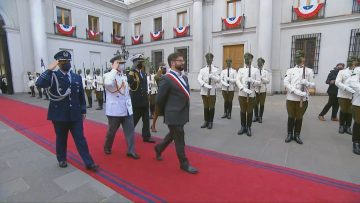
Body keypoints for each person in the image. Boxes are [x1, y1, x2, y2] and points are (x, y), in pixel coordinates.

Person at [35, 50, 98, 171]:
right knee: (61, 139)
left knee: (80, 139)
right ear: (58, 63)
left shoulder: (76, 77)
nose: (66, 63)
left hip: (75, 114)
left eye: (67, 61)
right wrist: (49, 70)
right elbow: (40, 83)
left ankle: (89, 162)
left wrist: (83, 110)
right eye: (63, 61)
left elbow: (81, 96)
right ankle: (61, 158)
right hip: (59, 115)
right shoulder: (53, 76)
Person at [154, 52, 198, 174]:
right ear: (173, 63)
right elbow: (159, 99)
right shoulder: (166, 78)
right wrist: (167, 113)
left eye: (183, 60)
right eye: (180, 60)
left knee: (173, 135)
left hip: (182, 114)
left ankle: (159, 148)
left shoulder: (183, 77)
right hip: (173, 114)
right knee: (180, 139)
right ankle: (184, 164)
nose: (183, 62)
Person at [102, 54, 140, 159]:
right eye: (119, 63)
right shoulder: (108, 75)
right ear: (113, 64)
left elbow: (126, 93)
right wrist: (114, 69)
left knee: (130, 131)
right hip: (115, 110)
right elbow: (108, 83)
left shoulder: (123, 76)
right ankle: (107, 146)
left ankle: (131, 151)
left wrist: (130, 107)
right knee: (112, 131)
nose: (122, 65)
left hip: (126, 108)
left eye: (123, 63)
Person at [283, 50, 315, 144]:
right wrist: (295, 91)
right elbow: (286, 82)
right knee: (291, 116)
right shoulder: (290, 70)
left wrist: (307, 83)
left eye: (300, 56)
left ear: (303, 58)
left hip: (303, 99)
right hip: (291, 98)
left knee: (299, 117)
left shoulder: (309, 71)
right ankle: (289, 134)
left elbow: (313, 85)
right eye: (296, 57)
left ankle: (297, 135)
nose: (297, 58)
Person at [127, 54, 155, 143]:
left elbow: (145, 86)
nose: (142, 63)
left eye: (142, 62)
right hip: (136, 100)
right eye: (140, 62)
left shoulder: (143, 73)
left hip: (145, 100)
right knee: (134, 119)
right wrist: (132, 69)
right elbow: (130, 82)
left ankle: (146, 136)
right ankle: (128, 134)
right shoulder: (132, 73)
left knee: (146, 120)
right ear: (135, 62)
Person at [236, 53, 261, 136]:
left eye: (248, 58)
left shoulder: (255, 70)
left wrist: (252, 81)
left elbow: (259, 82)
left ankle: (249, 127)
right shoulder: (240, 70)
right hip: (242, 94)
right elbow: (237, 80)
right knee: (242, 111)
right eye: (245, 58)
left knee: (250, 111)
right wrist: (242, 88)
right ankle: (243, 127)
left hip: (250, 95)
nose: (246, 60)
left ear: (251, 59)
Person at [197, 53, 220, 129]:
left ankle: (210, 122)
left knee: (211, 107)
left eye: (210, 58)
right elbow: (199, 78)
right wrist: (204, 84)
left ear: (212, 59)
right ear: (206, 59)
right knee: (206, 107)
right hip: (204, 91)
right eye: (207, 58)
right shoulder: (202, 69)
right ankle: (206, 121)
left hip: (212, 91)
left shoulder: (216, 69)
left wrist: (212, 76)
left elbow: (219, 80)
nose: (209, 60)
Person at [335, 57, 357, 135]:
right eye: (351, 61)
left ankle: (348, 126)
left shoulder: (358, 71)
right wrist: (346, 88)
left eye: (354, 61)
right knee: (344, 110)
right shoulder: (342, 72)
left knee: (350, 111)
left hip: (354, 95)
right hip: (343, 95)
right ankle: (341, 126)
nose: (353, 63)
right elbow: (337, 82)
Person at [151, 63, 167, 132]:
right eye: (164, 68)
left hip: (166, 96)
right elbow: (156, 78)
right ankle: (153, 126)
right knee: (156, 112)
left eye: (165, 68)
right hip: (159, 95)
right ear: (161, 68)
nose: (165, 70)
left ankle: (171, 126)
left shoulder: (165, 75)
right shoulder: (158, 75)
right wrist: (159, 70)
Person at [253, 57, 270, 123]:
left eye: (260, 62)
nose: (259, 64)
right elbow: (253, 80)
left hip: (262, 91)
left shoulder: (265, 72)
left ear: (263, 63)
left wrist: (262, 78)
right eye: (258, 62)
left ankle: (260, 117)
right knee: (255, 104)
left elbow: (268, 81)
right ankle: (256, 116)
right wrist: (256, 82)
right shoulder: (254, 71)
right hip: (256, 90)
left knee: (262, 104)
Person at [348, 64, 360, 155]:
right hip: (358, 102)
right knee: (358, 122)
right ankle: (356, 142)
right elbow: (352, 83)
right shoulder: (357, 70)